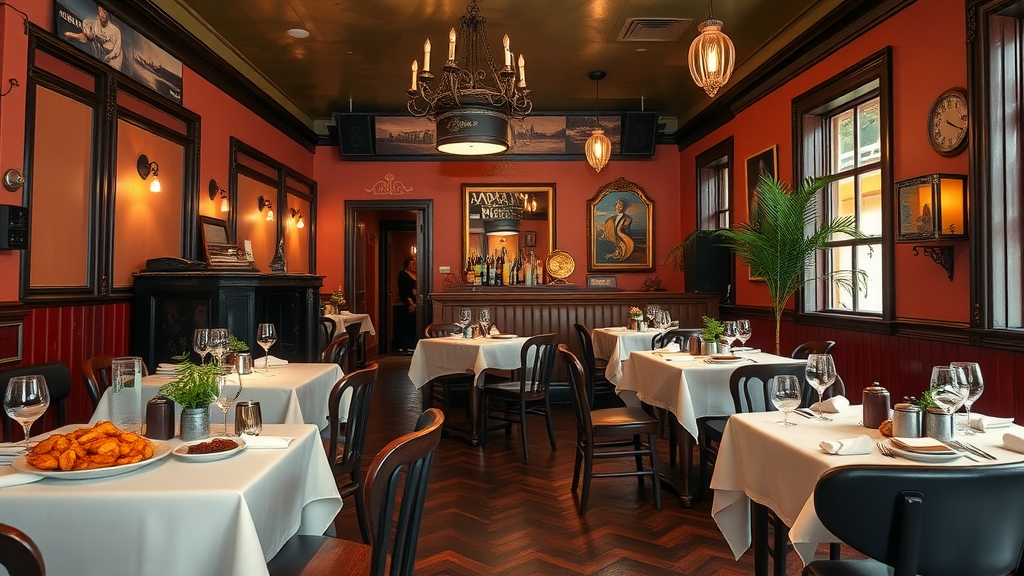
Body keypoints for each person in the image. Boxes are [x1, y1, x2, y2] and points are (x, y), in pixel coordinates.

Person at [65, 6, 124, 72]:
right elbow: (92, 37)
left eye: (103, 11)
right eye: (100, 11)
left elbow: (117, 49)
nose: (102, 14)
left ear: (107, 14)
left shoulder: (115, 31)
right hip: (101, 61)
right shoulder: (96, 24)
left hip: (113, 64)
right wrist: (75, 35)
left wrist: (110, 56)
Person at [599, 197, 635, 261]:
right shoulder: (612, 219)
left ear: (624, 208)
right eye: (617, 206)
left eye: (620, 206)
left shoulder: (628, 218)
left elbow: (625, 230)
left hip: (621, 237)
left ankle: (619, 254)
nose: (618, 208)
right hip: (614, 239)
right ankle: (615, 253)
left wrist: (620, 231)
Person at [394, 256, 418, 354]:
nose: (413, 266)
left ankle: (413, 345)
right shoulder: (403, 274)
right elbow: (404, 290)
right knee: (406, 324)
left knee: (414, 324)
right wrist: (410, 302)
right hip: (406, 303)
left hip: (417, 302)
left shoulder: (417, 275)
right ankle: (405, 346)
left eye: (415, 264)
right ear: (407, 265)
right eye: (411, 264)